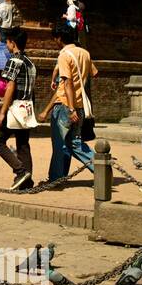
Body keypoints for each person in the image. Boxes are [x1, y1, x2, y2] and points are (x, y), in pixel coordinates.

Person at [45, 22, 96, 182]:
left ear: (59, 38)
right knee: (74, 143)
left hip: (65, 106)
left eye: (55, 38)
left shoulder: (64, 55)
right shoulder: (84, 53)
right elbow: (95, 72)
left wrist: (71, 108)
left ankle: (55, 179)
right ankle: (100, 165)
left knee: (60, 145)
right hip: (80, 106)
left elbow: (67, 83)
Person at [0, 27, 36, 190]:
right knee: (23, 144)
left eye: (7, 42)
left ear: (13, 43)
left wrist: (2, 112)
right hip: (27, 107)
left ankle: (20, 171)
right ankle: (27, 182)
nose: (6, 45)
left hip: (15, 106)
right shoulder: (31, 63)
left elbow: (10, 86)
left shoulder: (14, 61)